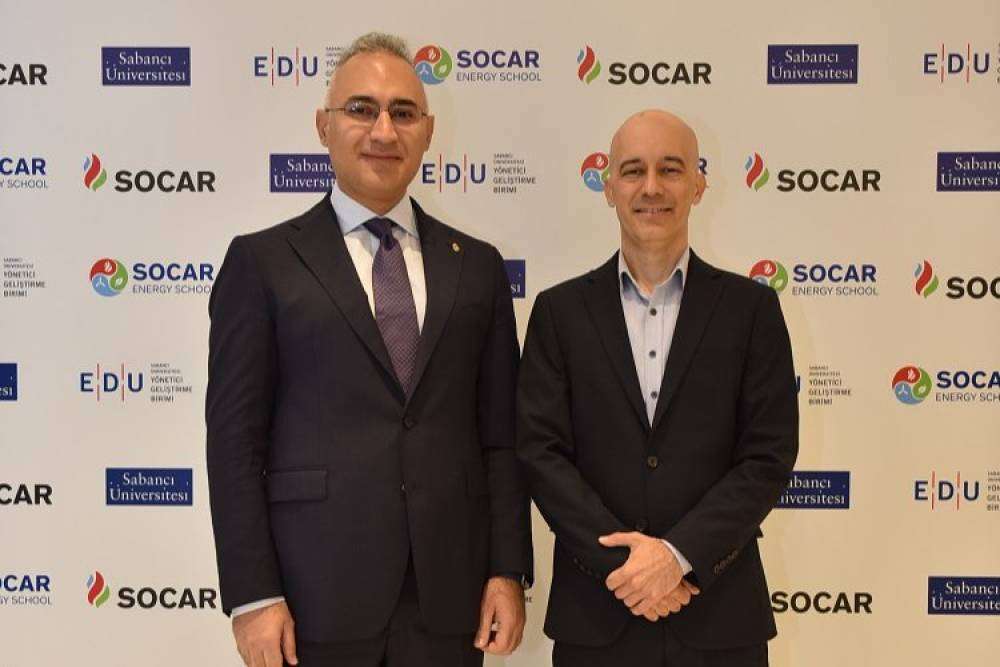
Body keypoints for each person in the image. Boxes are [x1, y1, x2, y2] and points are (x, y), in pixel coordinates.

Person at [206, 32, 533, 667]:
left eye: (403, 112)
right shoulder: (262, 262)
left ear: (428, 132)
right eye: (361, 109)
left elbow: (501, 438)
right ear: (324, 125)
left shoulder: (478, 267)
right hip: (311, 601)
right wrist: (253, 595)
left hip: (450, 600)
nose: (384, 129)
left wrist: (507, 570)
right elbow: (234, 444)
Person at [516, 109, 798, 666]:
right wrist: (629, 569)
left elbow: (768, 455)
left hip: (719, 619)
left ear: (698, 185)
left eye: (670, 169)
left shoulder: (752, 310)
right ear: (608, 187)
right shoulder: (558, 313)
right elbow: (540, 453)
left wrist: (678, 556)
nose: (651, 187)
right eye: (632, 170)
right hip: (597, 617)